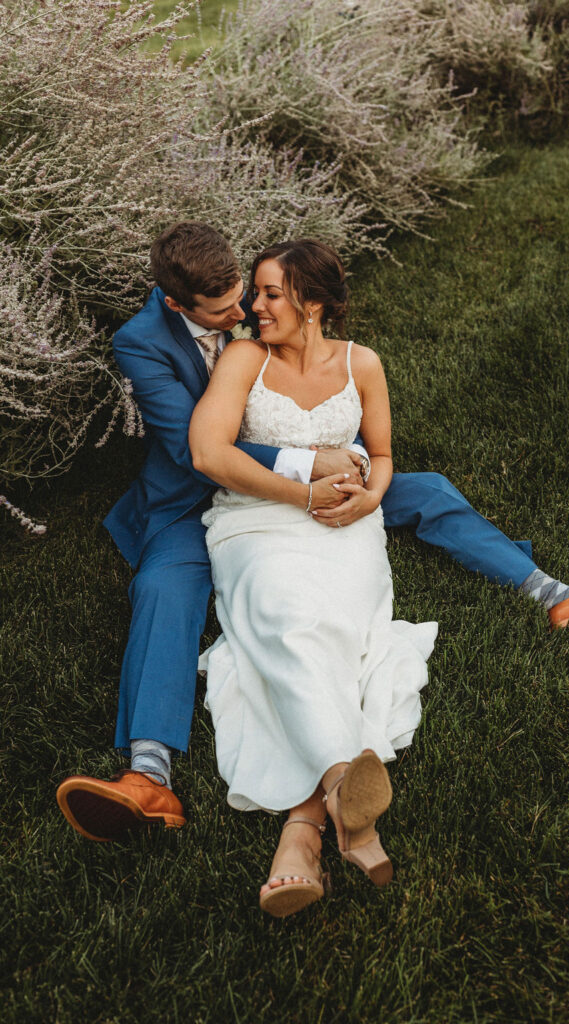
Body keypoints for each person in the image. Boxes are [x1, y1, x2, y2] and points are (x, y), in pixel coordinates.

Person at [56, 222, 569, 845]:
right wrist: (310, 463)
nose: (247, 310)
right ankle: (149, 773)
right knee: (165, 589)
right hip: (196, 497)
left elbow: (327, 385)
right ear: (177, 305)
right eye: (227, 310)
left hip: (324, 471)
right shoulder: (142, 341)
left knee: (427, 490)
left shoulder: (270, 312)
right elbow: (195, 447)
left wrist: (359, 477)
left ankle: (557, 594)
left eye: (250, 293)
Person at [189, 239, 437, 916]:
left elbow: (381, 453)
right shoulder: (244, 358)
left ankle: (302, 834)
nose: (252, 307)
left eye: (271, 295)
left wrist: (370, 498)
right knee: (286, 618)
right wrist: (301, 496)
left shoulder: (363, 362)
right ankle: (342, 789)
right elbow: (207, 452)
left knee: (337, 627)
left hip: (348, 527)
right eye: (258, 293)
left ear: (314, 302)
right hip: (256, 523)